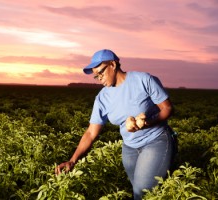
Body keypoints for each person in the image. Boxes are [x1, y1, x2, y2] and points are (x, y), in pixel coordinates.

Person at [55, 49, 177, 199]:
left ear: (113, 64)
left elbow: (168, 108)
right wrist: (73, 160)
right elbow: (91, 133)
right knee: (140, 192)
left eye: (101, 72)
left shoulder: (143, 79)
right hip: (130, 149)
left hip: (155, 140)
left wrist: (147, 123)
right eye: (96, 76)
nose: (99, 78)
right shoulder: (102, 98)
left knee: (142, 193)